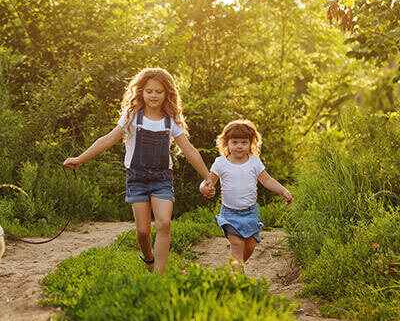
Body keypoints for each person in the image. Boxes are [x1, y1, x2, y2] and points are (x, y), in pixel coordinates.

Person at [63, 67, 210, 274]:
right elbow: (107, 139)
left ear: (167, 94)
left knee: (164, 223)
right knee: (142, 231)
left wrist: (208, 178)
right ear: (141, 91)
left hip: (162, 179)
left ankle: (158, 276)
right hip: (137, 179)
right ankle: (148, 257)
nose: (154, 95)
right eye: (149, 91)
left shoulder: (171, 121)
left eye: (159, 91)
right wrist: (80, 159)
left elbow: (190, 151)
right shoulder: (132, 117)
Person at [200, 119, 293, 271]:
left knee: (250, 245)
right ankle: (237, 278)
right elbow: (208, 182)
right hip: (229, 214)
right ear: (226, 143)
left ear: (251, 144)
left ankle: (235, 268)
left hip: (250, 213)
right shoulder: (220, 163)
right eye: (235, 142)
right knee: (237, 244)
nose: (239, 146)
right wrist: (204, 188)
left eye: (244, 142)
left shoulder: (254, 163)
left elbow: (267, 180)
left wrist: (283, 191)